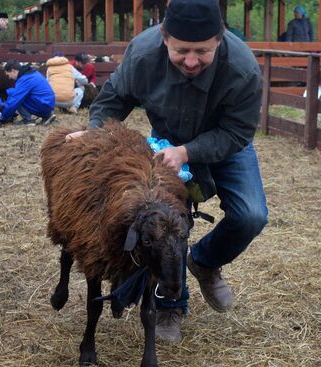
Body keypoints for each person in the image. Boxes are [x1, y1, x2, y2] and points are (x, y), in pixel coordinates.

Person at [66, 0, 268, 342]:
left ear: (219, 39)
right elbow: (114, 98)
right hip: (167, 144)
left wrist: (189, 152)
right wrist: (96, 133)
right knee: (165, 223)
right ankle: (170, 306)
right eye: (182, 50)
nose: (191, 60)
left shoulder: (243, 68)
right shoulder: (142, 54)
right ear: (164, 38)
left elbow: (237, 133)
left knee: (251, 215)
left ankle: (204, 261)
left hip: (224, 141)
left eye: (202, 51)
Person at [0, 60, 56, 125]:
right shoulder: (33, 73)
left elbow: (14, 100)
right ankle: (48, 116)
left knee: (14, 94)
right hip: (49, 104)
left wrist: (3, 117)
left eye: (8, 75)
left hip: (43, 105)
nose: (9, 78)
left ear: (13, 70)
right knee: (17, 94)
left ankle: (28, 120)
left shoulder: (25, 79)